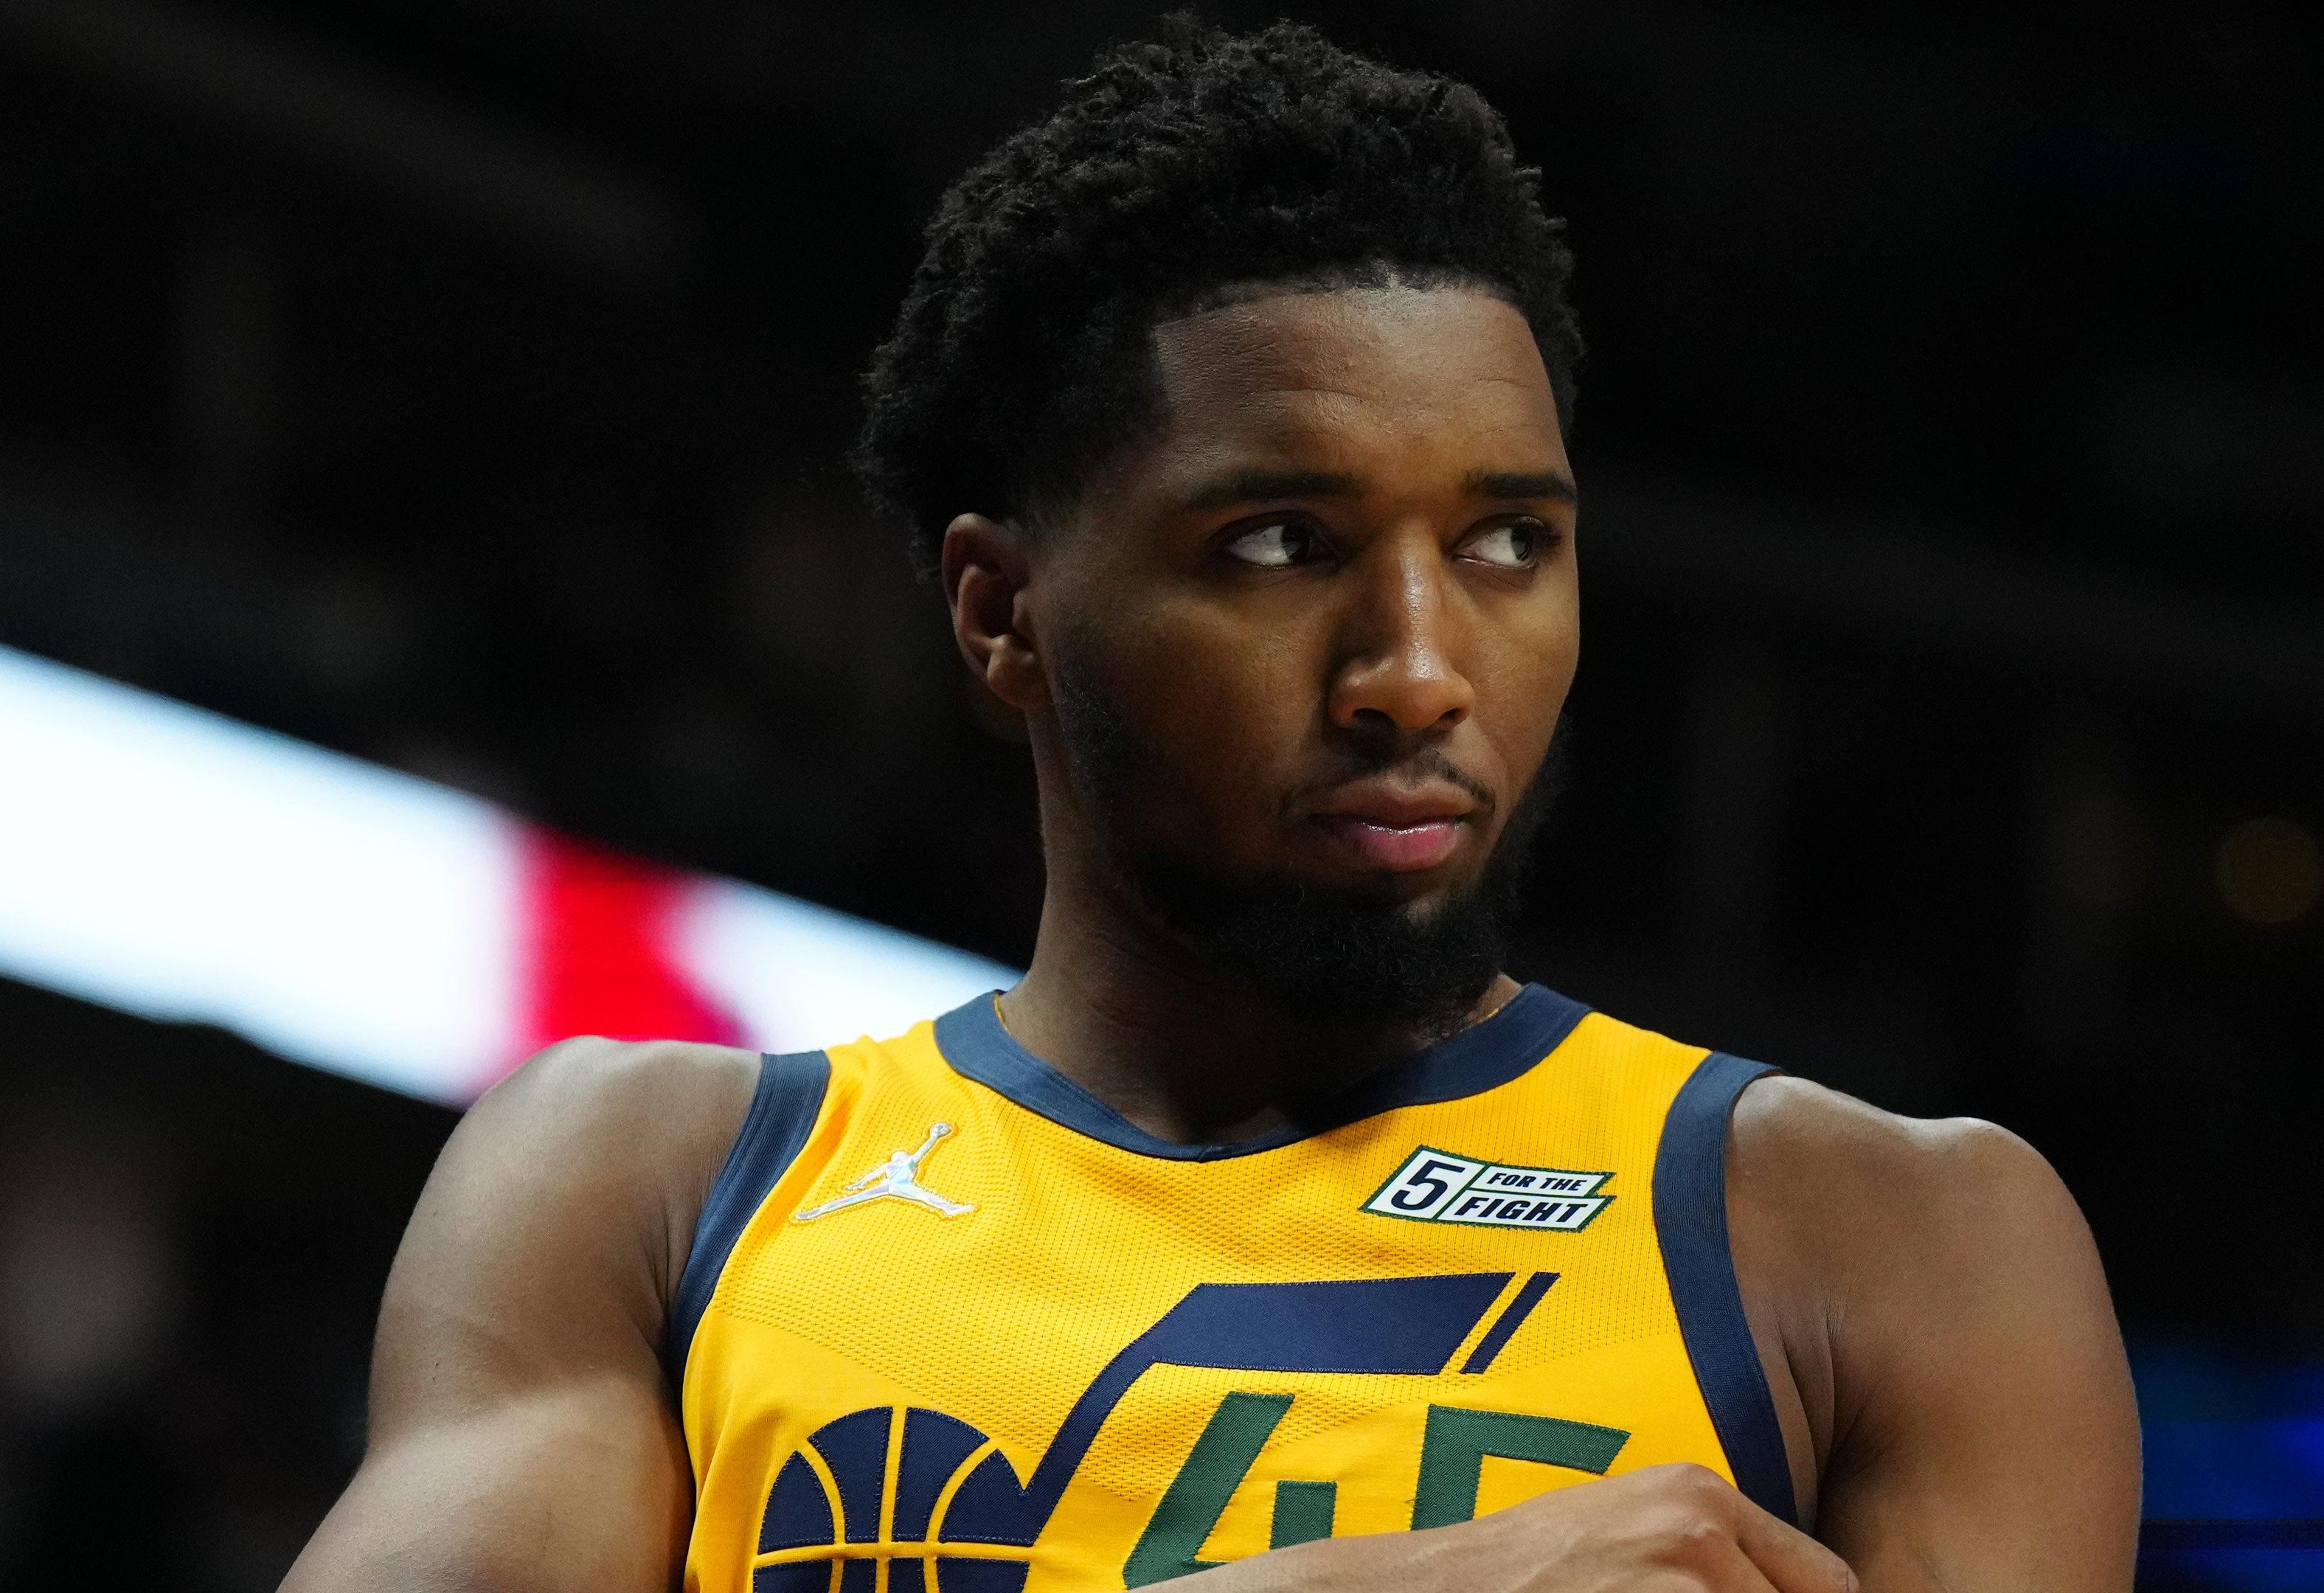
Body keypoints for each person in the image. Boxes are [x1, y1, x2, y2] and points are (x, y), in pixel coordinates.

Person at [282, 21, 2137, 1593]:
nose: (1417, 663)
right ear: (1001, 612)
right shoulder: (649, 1179)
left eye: (1507, 543)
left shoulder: (1887, 1241)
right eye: (1279, 543)